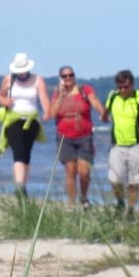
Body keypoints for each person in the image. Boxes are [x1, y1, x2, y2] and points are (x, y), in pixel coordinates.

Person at [100, 69, 139, 216]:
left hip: (137, 146)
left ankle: (131, 210)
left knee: (134, 182)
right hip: (117, 146)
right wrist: (104, 116)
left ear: (132, 84)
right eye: (120, 87)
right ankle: (120, 202)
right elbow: (105, 112)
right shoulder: (113, 96)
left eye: (126, 87)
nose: (123, 90)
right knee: (114, 179)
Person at [49, 65, 105, 209]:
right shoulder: (57, 94)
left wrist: (103, 113)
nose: (68, 78)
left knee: (84, 171)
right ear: (60, 78)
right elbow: (52, 114)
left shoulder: (84, 90)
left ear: (74, 76)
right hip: (65, 137)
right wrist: (61, 96)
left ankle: (84, 197)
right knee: (70, 171)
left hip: (84, 136)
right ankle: (71, 203)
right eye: (65, 76)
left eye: (71, 75)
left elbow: (95, 102)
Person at [0, 52, 50, 197]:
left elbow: (44, 98)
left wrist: (47, 112)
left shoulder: (38, 80)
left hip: (31, 121)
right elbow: (0, 96)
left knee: (26, 154)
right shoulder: (9, 79)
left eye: (23, 70)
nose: (21, 73)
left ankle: (23, 186)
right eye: (19, 70)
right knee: (18, 152)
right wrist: (5, 101)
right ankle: (19, 185)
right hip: (14, 120)